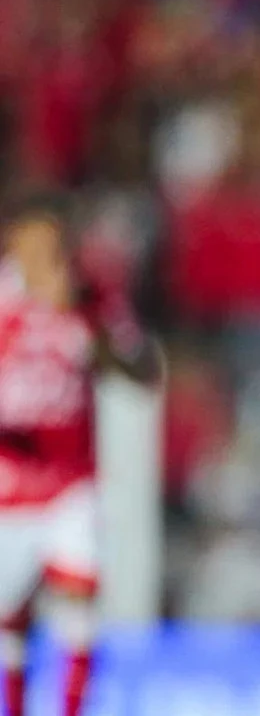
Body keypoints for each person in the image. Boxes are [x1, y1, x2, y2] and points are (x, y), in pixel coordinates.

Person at [0, 195, 159, 716]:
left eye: (53, 246)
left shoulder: (89, 302)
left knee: (79, 599)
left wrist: (94, 329)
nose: (44, 257)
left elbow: (143, 372)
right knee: (11, 619)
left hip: (72, 483)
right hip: (9, 486)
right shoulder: (4, 304)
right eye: (33, 245)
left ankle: (72, 708)